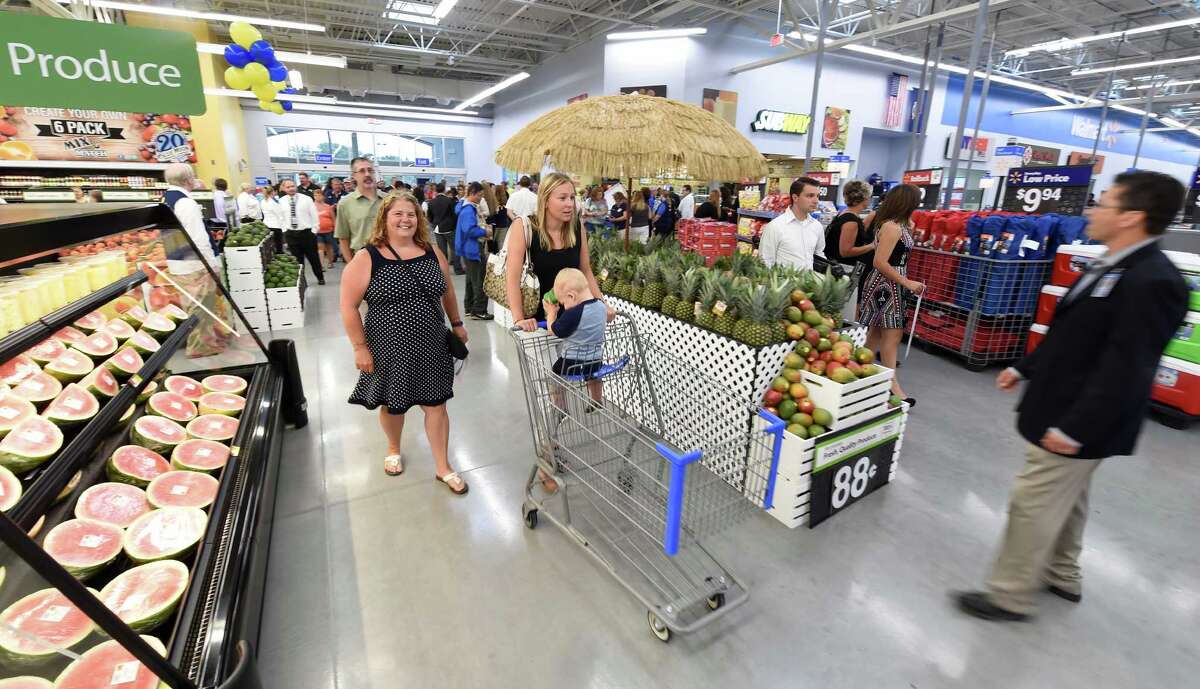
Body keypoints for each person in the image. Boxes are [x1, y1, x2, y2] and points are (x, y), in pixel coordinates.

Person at [956, 171, 1189, 622]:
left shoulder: (1153, 281)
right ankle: (1062, 573)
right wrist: (1024, 367)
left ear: (1132, 217)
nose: (1091, 210)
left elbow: (1127, 369)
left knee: (1033, 500)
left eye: (1104, 203)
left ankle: (1009, 594)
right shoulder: (1113, 262)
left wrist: (1075, 428)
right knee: (1070, 494)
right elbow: (1074, 334)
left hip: (1080, 416)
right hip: (1065, 404)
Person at [340, 191, 470, 494]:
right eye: (397, 214)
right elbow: (348, 305)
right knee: (392, 404)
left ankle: (443, 467)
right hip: (388, 347)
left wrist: (457, 323)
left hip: (432, 343)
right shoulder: (367, 257)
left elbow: (448, 291)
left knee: (436, 404)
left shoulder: (432, 252)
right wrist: (360, 347)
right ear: (384, 219)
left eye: (411, 214)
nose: (405, 220)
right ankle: (393, 447)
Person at [507, 171, 608, 330]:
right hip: (536, 325)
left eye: (572, 198)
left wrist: (602, 304)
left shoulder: (577, 227)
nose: (570, 204)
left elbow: (585, 270)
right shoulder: (524, 227)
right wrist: (519, 319)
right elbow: (512, 278)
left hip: (574, 320)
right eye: (562, 198)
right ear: (546, 200)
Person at [858, 184, 923, 405]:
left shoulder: (898, 225)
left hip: (890, 283)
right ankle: (891, 386)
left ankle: (861, 374)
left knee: (876, 335)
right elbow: (880, 262)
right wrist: (907, 282)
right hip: (886, 286)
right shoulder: (892, 227)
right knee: (892, 336)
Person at [545, 267, 606, 406]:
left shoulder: (573, 313)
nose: (564, 307)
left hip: (572, 362)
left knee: (554, 377)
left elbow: (554, 330)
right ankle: (596, 400)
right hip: (596, 359)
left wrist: (551, 313)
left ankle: (559, 408)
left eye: (563, 303)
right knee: (594, 376)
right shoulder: (601, 305)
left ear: (571, 296)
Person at [759, 177, 826, 270]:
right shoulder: (775, 226)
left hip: (810, 278)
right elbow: (765, 261)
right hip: (783, 279)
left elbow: (819, 254)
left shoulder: (817, 226)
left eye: (817, 196)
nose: (816, 201)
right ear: (795, 198)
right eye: (810, 196)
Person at [162, 163, 220, 267]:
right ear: (187, 181)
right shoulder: (185, 202)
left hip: (176, 260)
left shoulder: (165, 198)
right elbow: (198, 238)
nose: (194, 179)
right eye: (193, 176)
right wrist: (211, 264)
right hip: (194, 264)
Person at [455, 182, 493, 321]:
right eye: (480, 195)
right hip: (473, 248)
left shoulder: (464, 206)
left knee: (471, 280)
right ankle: (479, 310)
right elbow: (469, 230)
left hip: (468, 248)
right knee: (480, 280)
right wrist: (484, 232)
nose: (481, 198)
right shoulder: (468, 210)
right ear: (472, 193)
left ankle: (469, 308)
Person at [335, 157, 384, 263]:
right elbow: (343, 238)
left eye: (370, 170)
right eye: (362, 171)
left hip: (391, 260)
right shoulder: (345, 203)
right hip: (361, 260)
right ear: (354, 176)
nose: (367, 174)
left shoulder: (389, 200)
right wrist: (351, 265)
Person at [278, 179, 326, 285]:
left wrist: (314, 230)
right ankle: (302, 281)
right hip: (291, 234)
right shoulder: (281, 201)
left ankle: (320, 277)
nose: (291, 188)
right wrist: (285, 230)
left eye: (292, 186)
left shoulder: (306, 199)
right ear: (284, 189)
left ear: (296, 186)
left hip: (307, 233)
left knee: (313, 258)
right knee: (297, 261)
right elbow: (281, 217)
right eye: (288, 187)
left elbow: (314, 215)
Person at [825, 179, 877, 273]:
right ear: (864, 198)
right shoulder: (851, 221)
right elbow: (846, 252)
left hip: (837, 265)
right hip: (843, 268)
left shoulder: (845, 214)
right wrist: (872, 246)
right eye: (870, 197)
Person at [426, 182, 461, 275]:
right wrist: (454, 225)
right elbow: (454, 215)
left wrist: (434, 224)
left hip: (437, 228)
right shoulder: (450, 201)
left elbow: (429, 216)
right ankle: (457, 269)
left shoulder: (431, 202)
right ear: (444, 189)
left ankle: (443, 270)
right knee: (454, 249)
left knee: (442, 251)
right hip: (449, 228)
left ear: (436, 190)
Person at [314, 192, 337, 270]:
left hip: (328, 230)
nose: (317, 197)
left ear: (323, 197)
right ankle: (321, 265)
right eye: (315, 195)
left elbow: (333, 219)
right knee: (320, 248)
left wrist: (335, 228)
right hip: (317, 231)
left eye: (319, 195)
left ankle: (330, 262)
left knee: (329, 248)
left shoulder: (328, 207)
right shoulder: (312, 206)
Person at [262, 184, 285, 253]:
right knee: (278, 245)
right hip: (276, 226)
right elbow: (280, 215)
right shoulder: (273, 202)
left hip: (266, 225)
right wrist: (284, 226)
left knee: (270, 245)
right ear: (272, 192)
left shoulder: (263, 201)